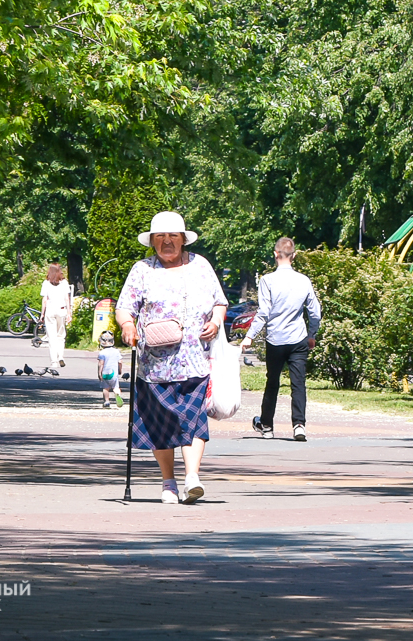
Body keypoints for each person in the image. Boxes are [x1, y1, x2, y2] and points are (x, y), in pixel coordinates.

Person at [116, 211, 227, 505]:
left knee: (193, 419)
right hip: (155, 365)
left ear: (182, 239)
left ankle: (192, 478)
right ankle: (168, 482)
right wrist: (128, 326)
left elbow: (219, 301)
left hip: (195, 360)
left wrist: (216, 322)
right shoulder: (142, 270)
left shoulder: (201, 265)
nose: (167, 242)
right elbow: (124, 307)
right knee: (160, 424)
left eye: (173, 237)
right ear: (152, 241)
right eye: (160, 237)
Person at [242, 237, 322, 442]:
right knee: (298, 383)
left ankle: (267, 425)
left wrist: (250, 336)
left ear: (275, 254)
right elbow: (315, 312)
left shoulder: (267, 280)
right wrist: (311, 335)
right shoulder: (303, 280)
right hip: (298, 338)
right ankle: (299, 426)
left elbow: (264, 312)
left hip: (276, 339)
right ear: (294, 256)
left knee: (273, 382)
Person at [40, 262, 73, 369]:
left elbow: (45, 300)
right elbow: (67, 298)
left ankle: (54, 361)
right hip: (62, 310)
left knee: (52, 337)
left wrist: (42, 314)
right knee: (61, 336)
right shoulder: (64, 283)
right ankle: (61, 356)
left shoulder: (46, 283)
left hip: (50, 311)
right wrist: (69, 313)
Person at [97, 330, 124, 408]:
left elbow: (101, 364)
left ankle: (107, 401)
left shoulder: (102, 353)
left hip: (105, 374)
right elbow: (120, 362)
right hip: (114, 373)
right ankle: (117, 394)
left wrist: (99, 373)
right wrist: (120, 370)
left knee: (105, 388)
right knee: (116, 387)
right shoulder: (116, 352)